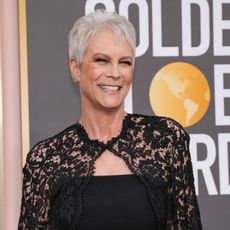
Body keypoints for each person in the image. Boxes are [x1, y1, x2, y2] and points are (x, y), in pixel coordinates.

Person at [18, 9, 202, 230]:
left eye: (124, 62)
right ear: (75, 68)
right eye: (102, 60)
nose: (115, 73)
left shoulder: (166, 140)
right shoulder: (45, 160)